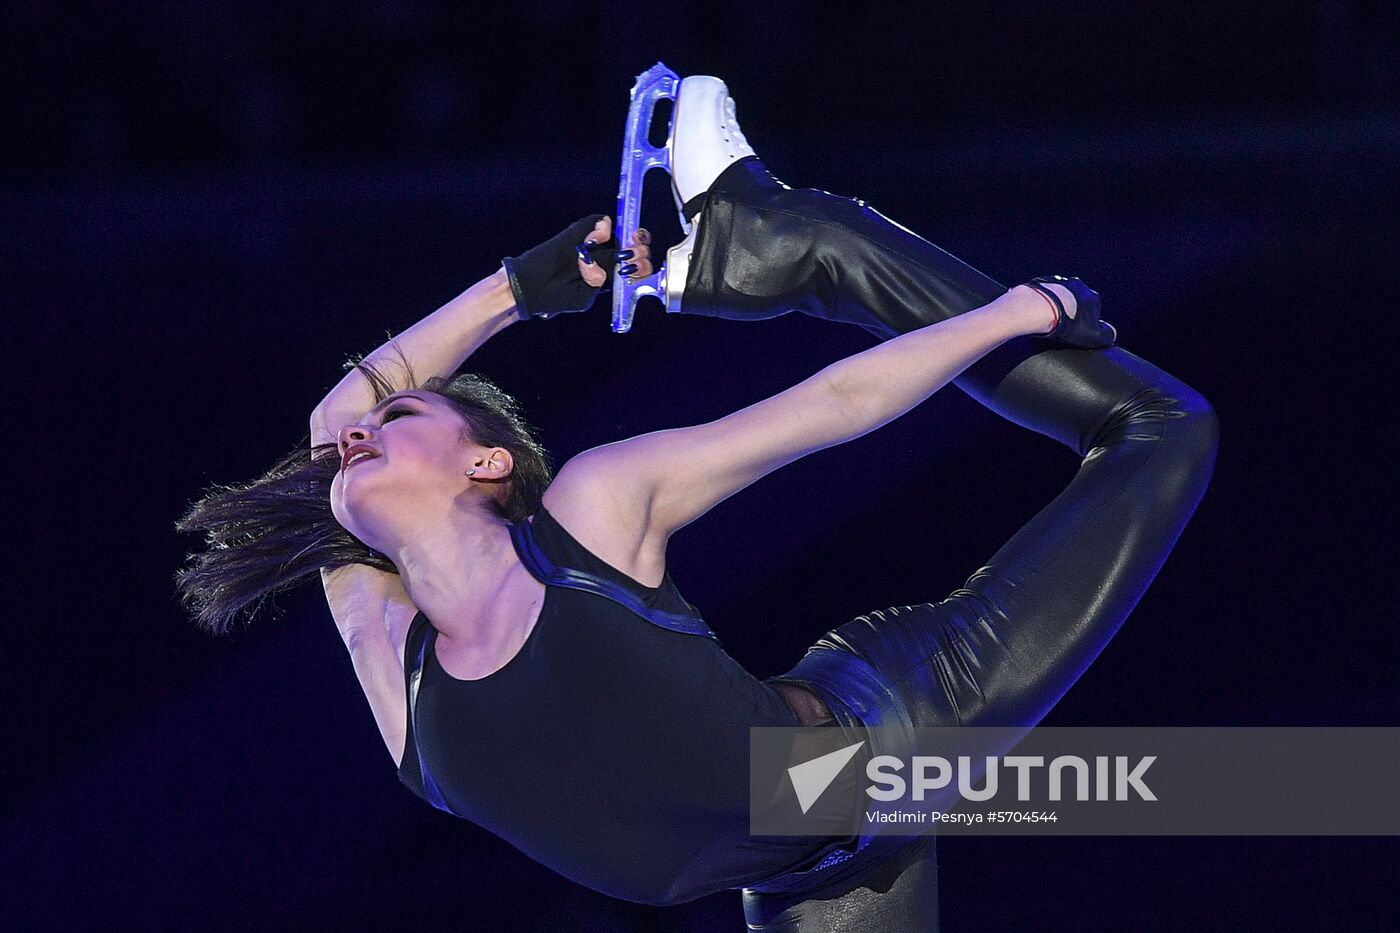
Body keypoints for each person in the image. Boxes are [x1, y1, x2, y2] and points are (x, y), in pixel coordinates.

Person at [175, 75, 1218, 932]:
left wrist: (1017, 310)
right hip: (799, 880)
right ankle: (754, 238)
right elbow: (334, 422)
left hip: (888, 740)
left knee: (1166, 428)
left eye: (394, 422)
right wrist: (517, 289)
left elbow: (833, 406)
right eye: (380, 423)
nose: (357, 436)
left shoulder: (587, 520)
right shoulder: (394, 670)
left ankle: (794, 240)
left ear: (488, 466)